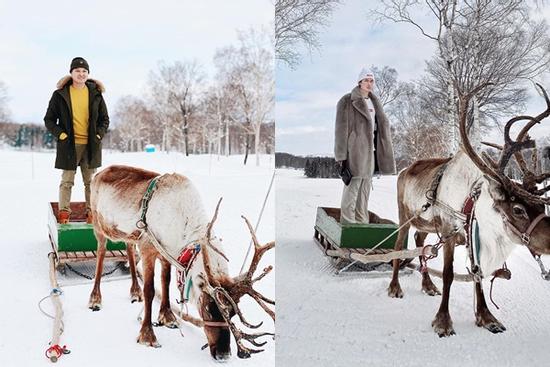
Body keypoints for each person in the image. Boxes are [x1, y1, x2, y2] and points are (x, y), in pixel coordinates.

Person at [44, 57, 109, 224]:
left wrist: (98, 135)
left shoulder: (96, 94)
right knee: (67, 181)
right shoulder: (60, 95)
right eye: (77, 71)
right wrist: (61, 135)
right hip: (69, 146)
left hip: (91, 145)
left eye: (84, 71)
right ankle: (64, 213)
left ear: (88, 73)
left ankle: (91, 213)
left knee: (91, 182)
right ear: (71, 73)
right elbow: (49, 120)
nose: (81, 74)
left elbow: (104, 119)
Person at [334, 68, 396, 224]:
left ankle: (362, 223)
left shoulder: (375, 102)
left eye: (371, 81)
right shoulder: (346, 101)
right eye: (366, 80)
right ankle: (347, 224)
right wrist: (342, 156)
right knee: (352, 189)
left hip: (371, 153)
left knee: (365, 191)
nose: (369, 83)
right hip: (355, 152)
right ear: (359, 82)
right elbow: (340, 130)